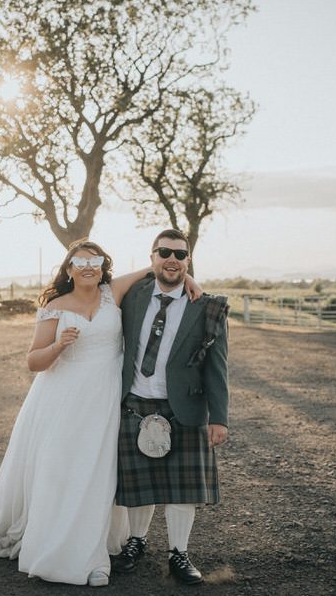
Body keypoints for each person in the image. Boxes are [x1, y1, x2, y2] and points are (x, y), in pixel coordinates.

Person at [0, 239, 200, 587]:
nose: (88, 267)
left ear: (102, 267)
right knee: (61, 468)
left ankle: (92, 543)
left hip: (107, 399)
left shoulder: (113, 293)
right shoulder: (55, 306)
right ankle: (59, 545)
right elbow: (34, 361)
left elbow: (157, 268)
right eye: (80, 262)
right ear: (68, 269)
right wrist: (58, 344)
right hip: (63, 399)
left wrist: (190, 279)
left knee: (100, 472)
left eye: (94, 261)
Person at [111, 229, 230, 586]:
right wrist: (158, 274)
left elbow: (217, 365)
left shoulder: (206, 306)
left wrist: (219, 418)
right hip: (134, 402)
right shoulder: (132, 297)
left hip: (185, 408)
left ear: (188, 260)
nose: (172, 259)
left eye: (180, 254)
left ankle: (179, 552)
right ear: (151, 257)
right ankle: (136, 542)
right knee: (138, 486)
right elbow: (102, 287)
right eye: (164, 252)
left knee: (183, 491)